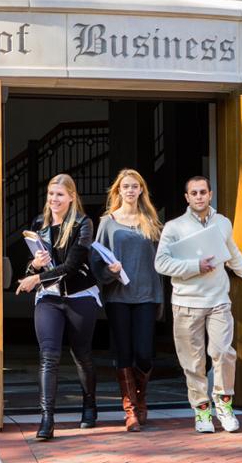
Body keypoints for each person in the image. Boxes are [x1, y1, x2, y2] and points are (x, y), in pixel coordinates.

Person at [154, 176, 242, 433]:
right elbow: (160, 264)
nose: (199, 196)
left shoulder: (222, 222)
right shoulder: (174, 227)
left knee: (223, 353)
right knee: (192, 362)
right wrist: (195, 266)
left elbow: (233, 256)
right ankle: (202, 411)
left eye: (203, 192)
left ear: (210, 194)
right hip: (186, 303)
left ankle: (224, 405)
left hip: (218, 300)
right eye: (193, 193)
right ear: (187, 197)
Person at [15, 173, 98, 441]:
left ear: (72, 197)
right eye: (51, 194)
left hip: (79, 297)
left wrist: (35, 277)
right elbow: (32, 264)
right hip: (49, 298)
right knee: (48, 356)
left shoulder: (84, 224)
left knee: (81, 354)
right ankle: (47, 418)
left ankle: (89, 405)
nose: (54, 199)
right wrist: (35, 266)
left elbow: (72, 267)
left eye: (60, 195)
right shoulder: (39, 224)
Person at [90, 169, 163, 432]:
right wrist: (108, 272)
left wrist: (159, 295)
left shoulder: (151, 221)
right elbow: (96, 258)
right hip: (118, 297)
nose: (130, 191)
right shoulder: (107, 222)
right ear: (118, 191)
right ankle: (130, 409)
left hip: (145, 295)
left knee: (144, 353)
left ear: (141, 190)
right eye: (125, 187)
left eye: (135, 186)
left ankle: (142, 399)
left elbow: (161, 261)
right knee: (124, 351)